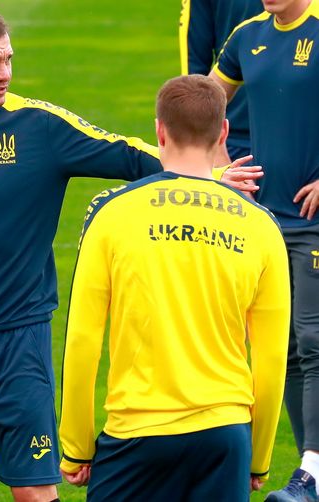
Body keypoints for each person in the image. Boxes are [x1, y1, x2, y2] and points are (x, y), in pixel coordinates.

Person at [0, 7, 259, 502]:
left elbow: (127, 153)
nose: (4, 73)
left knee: (35, 493)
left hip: (16, 344)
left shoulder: (39, 126)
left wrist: (210, 177)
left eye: (8, 59)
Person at [58, 74, 290, 501]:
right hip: (224, 435)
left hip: (136, 431)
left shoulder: (111, 212)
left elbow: (82, 340)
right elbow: (272, 357)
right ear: (223, 132)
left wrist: (75, 447)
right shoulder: (263, 226)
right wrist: (257, 456)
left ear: (160, 131)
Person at [210, 1, 319, 499]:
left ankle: (311, 475)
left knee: (313, 339)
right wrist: (221, 168)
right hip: (265, 222)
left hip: (313, 221)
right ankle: (311, 469)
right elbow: (201, 105)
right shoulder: (246, 36)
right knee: (287, 348)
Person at [179, 0, 263, 160]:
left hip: (300, 135)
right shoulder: (242, 36)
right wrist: (208, 142)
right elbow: (194, 72)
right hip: (230, 139)